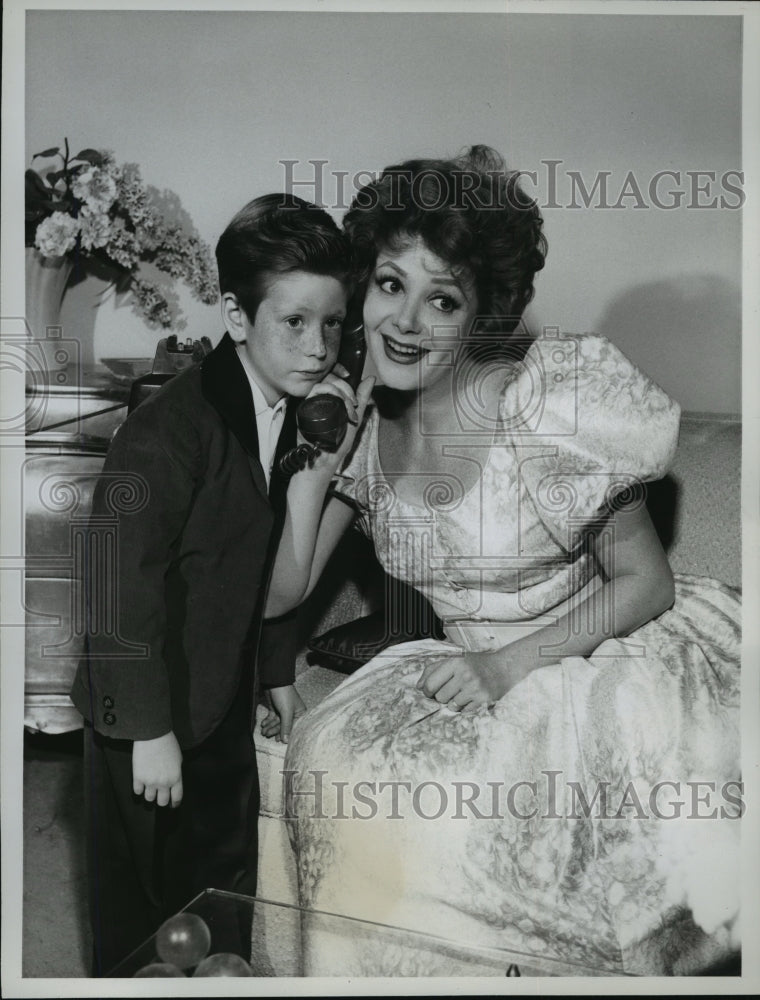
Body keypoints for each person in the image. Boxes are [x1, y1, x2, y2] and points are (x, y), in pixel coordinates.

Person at [263, 147, 741, 976]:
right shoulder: (364, 430)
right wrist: (318, 461)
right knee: (342, 781)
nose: (406, 322)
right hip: (461, 661)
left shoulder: (545, 404)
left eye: (441, 298)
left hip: (598, 655)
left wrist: (505, 666)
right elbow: (284, 593)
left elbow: (647, 581)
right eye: (389, 284)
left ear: (480, 314)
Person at [70, 193, 351, 975]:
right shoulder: (168, 429)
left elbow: (253, 568)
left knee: (221, 891)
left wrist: (272, 671)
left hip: (219, 694)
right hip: (147, 708)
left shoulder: (290, 411)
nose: (318, 346)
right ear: (236, 315)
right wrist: (146, 730)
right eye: (293, 322)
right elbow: (116, 580)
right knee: (143, 908)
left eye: (332, 323)